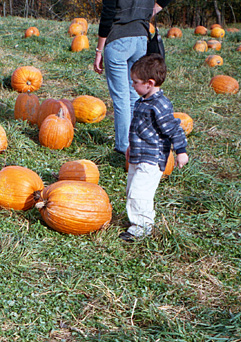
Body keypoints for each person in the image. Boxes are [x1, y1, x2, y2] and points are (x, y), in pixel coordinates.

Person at [121, 53, 188, 241]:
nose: (132, 85)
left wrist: (181, 151)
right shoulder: (143, 101)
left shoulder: (159, 105)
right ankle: (137, 221)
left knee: (139, 192)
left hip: (151, 158)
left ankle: (142, 228)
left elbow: (173, 128)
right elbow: (139, 130)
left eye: (135, 82)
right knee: (132, 190)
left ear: (149, 83)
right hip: (138, 155)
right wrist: (130, 148)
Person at [94, 0, 173, 155]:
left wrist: (99, 50)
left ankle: (123, 146)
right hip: (141, 39)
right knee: (133, 95)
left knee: (121, 98)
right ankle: (134, 142)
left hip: (118, 39)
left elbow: (108, 13)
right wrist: (151, 10)